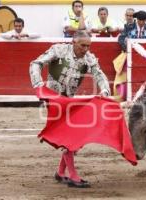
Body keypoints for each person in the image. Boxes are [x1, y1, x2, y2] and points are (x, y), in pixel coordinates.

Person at [29, 30, 110, 188]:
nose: (85, 49)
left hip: (69, 101)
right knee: (69, 138)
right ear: (74, 42)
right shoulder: (59, 50)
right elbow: (36, 63)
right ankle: (73, 176)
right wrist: (38, 85)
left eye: (88, 46)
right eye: (82, 45)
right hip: (53, 99)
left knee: (72, 136)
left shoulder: (89, 58)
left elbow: (99, 75)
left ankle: (60, 172)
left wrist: (104, 91)